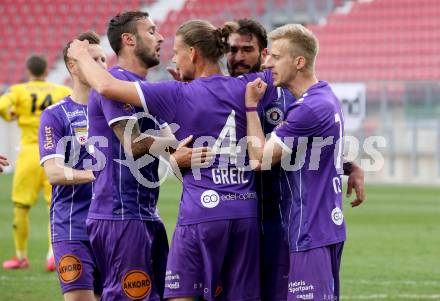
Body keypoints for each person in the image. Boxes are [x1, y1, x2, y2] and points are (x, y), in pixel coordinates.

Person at [67, 19, 276, 300]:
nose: (173, 58)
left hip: (199, 217)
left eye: (177, 52)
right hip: (245, 214)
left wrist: (80, 55)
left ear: (193, 54)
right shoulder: (250, 86)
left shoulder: (176, 93)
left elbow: (105, 86)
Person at [85, 12, 206, 301]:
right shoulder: (114, 80)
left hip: (144, 213)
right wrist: (176, 149)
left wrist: (185, 95)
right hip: (119, 214)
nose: (161, 37)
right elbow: (134, 143)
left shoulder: (145, 91)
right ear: (129, 39)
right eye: (151, 31)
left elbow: (176, 142)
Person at [244, 24, 357, 301]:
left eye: (276, 56)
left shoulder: (308, 108)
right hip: (326, 228)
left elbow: (259, 159)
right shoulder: (325, 96)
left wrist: (250, 107)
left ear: (299, 61)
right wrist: (351, 167)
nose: (267, 63)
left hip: (311, 231)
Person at [38, 31, 105, 301]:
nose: (101, 65)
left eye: (103, 59)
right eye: (94, 59)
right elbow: (53, 172)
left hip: (113, 226)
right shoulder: (55, 115)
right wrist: (97, 174)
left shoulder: (119, 111)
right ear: (74, 66)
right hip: (72, 226)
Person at [0, 54, 71, 271]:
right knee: (56, 206)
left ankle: (21, 257)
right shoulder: (60, 90)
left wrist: (11, 115)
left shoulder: (18, 90)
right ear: (46, 71)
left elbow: (2, 106)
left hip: (29, 152)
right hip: (54, 153)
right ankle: (53, 256)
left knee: (21, 206)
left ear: (29, 71)